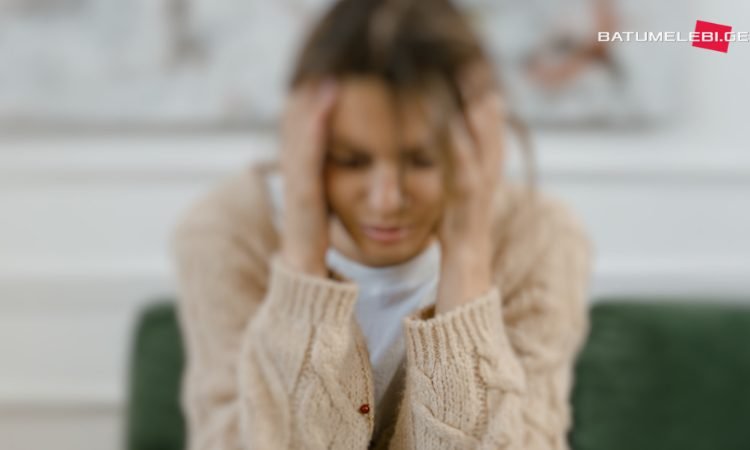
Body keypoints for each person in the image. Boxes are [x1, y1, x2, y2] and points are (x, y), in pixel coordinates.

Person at [170, 0, 594, 449]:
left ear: (477, 137)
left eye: (422, 159)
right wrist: (302, 266)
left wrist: (467, 258)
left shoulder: (539, 237)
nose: (386, 201)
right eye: (351, 160)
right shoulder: (229, 233)